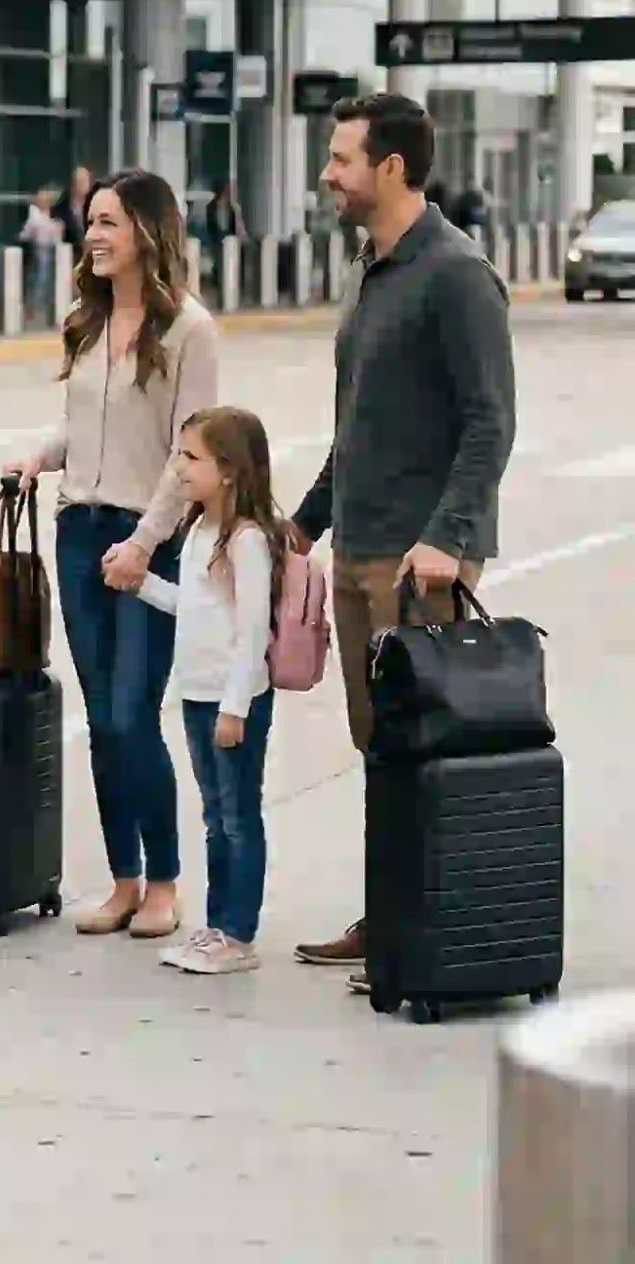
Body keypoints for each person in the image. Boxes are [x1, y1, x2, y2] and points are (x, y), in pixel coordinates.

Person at [284, 91, 515, 987]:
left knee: (426, 751)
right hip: (361, 546)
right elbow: (361, 425)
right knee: (381, 742)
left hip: (419, 558)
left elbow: (489, 422)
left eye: (340, 159)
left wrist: (448, 539)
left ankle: (429, 926)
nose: (327, 174)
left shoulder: (456, 273)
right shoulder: (372, 266)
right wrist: (304, 525)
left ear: (390, 168)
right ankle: (394, 914)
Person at [5, 169, 219, 941]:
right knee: (100, 719)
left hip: (148, 544)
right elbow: (90, 428)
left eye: (108, 224)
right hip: (79, 534)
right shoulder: (86, 322)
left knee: (133, 714)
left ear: (148, 235)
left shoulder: (188, 329)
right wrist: (41, 456)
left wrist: (144, 543)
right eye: (90, 223)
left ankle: (164, 880)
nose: (92, 236)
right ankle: (123, 880)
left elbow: (187, 455)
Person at [130, 406, 284, 976]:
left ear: (229, 470)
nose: (179, 467)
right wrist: (141, 584)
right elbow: (191, 608)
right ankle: (217, 928)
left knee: (239, 815)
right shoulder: (199, 530)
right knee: (217, 816)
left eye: (191, 457)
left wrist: (235, 707)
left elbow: (251, 632)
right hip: (197, 695)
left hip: (231, 701)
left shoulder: (245, 541)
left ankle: (238, 934)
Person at [20, 185, 66, 319]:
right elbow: (29, 231)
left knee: (47, 278)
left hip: (52, 250)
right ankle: (32, 307)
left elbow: (57, 234)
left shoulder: (52, 215)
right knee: (38, 278)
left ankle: (45, 307)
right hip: (37, 250)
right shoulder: (34, 214)